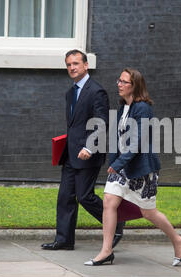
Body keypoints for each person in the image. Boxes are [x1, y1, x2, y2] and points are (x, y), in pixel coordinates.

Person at [84, 68, 181, 266]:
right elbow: (118, 139)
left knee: (148, 212)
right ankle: (106, 251)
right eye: (119, 81)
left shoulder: (143, 109)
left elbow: (137, 142)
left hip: (140, 169)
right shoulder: (123, 106)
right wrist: (114, 162)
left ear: (135, 86)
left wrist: (118, 163)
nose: (119, 84)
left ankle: (177, 239)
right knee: (109, 201)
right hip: (122, 168)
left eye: (124, 82)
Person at [42, 50, 124, 251]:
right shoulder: (70, 93)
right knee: (65, 197)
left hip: (89, 154)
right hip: (70, 154)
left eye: (76, 63)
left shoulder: (96, 91)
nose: (72, 67)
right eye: (68, 64)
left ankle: (118, 223)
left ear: (86, 65)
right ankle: (64, 240)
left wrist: (89, 146)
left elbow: (102, 123)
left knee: (85, 196)